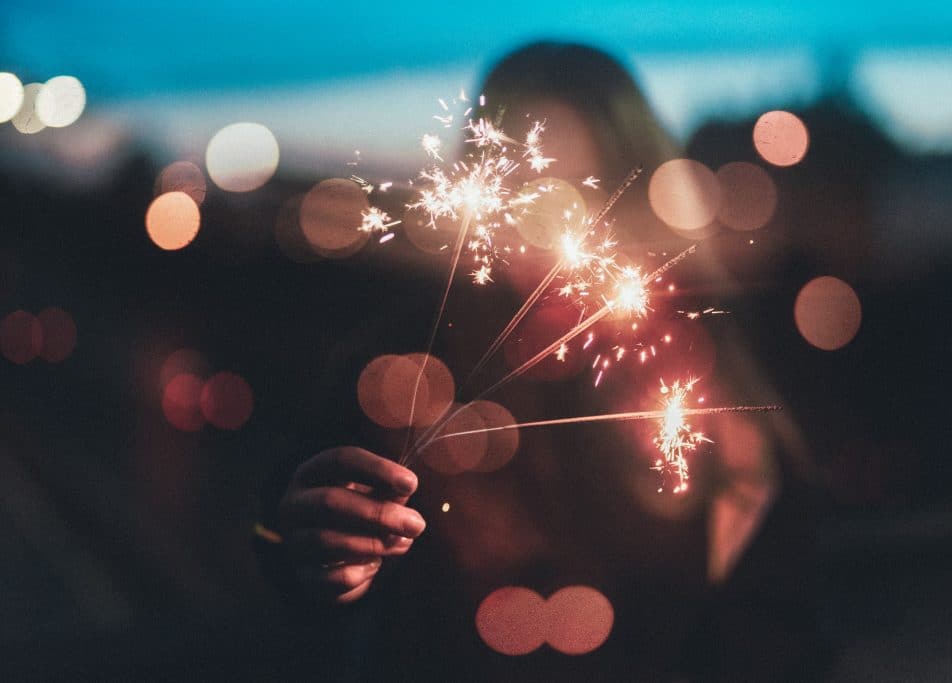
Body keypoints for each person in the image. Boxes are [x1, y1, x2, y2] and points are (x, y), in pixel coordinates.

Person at [256, 41, 823, 681]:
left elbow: (778, 621)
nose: (555, 223)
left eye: (590, 189)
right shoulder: (401, 363)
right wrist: (318, 556)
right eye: (526, 188)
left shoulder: (708, 372)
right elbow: (288, 534)